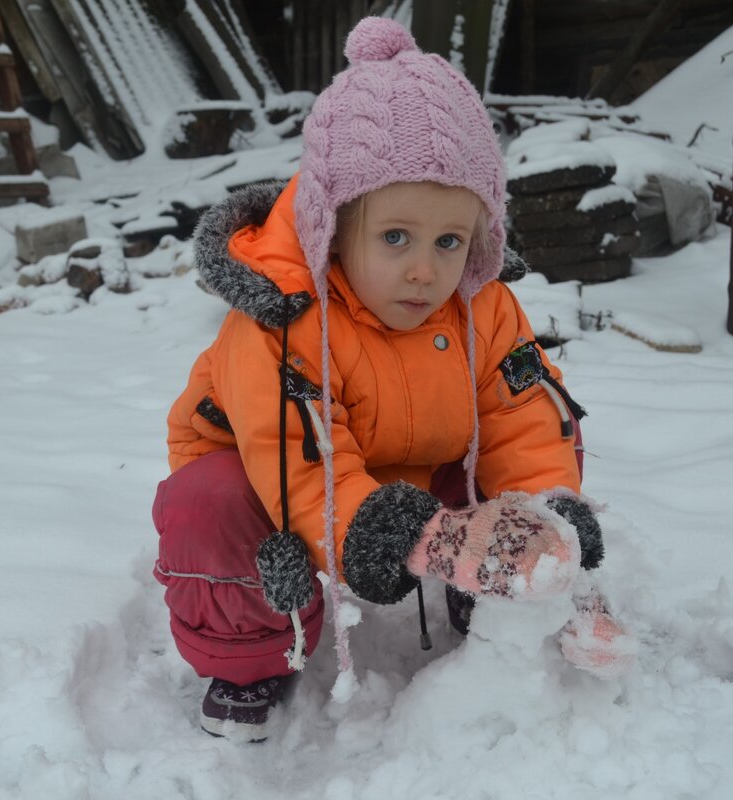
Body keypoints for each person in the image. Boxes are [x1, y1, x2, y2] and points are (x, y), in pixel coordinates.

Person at [152, 17, 634, 743]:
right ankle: (251, 653)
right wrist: (408, 535)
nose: (424, 270)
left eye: (450, 241)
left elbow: (521, 415)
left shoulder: (483, 306)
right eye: (395, 238)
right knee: (208, 502)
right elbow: (302, 462)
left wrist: (547, 511)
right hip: (277, 480)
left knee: (551, 444)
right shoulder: (281, 322)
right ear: (334, 228)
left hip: (421, 463)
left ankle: (501, 590)